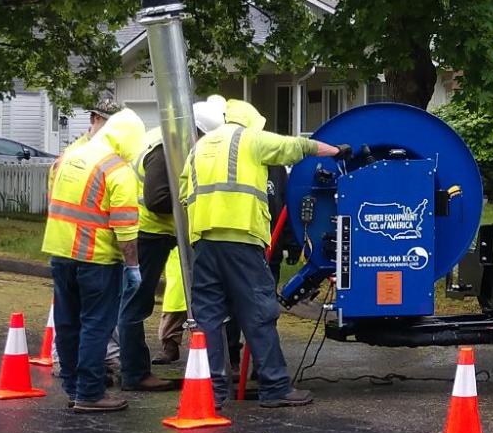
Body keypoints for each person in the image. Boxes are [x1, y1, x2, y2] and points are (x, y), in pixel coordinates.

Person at [181, 99, 343, 408]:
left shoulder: (197, 148)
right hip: (241, 237)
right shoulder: (249, 138)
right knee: (259, 311)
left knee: (209, 316)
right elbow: (294, 147)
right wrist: (335, 151)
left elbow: (183, 192)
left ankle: (212, 392)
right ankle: (275, 386)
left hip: (203, 241)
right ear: (252, 120)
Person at [115, 95, 226, 391]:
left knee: (137, 301)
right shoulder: (165, 150)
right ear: (196, 132)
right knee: (136, 304)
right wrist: (197, 203)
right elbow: (157, 199)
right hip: (148, 232)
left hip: (159, 231)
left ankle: (135, 369)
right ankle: (134, 374)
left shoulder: (171, 141)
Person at [42, 100, 146, 412]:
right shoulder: (117, 169)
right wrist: (133, 266)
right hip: (96, 258)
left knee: (67, 322)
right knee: (95, 326)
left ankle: (74, 389)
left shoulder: (68, 156)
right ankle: (90, 393)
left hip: (60, 252)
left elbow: (53, 199)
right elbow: (126, 228)